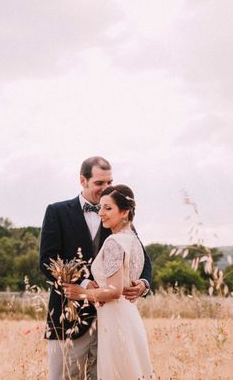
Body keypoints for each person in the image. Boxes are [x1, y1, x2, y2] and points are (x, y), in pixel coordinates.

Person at [39, 157, 153, 380]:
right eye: (99, 183)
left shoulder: (118, 216)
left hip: (112, 323)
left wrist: (143, 284)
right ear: (83, 180)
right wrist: (81, 284)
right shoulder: (57, 212)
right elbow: (47, 261)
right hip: (69, 319)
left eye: (109, 182)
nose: (105, 188)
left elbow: (142, 259)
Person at [80, 184, 153, 379]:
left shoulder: (114, 242)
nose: (101, 213)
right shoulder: (132, 239)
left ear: (125, 212)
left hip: (115, 318)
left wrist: (79, 293)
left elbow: (114, 290)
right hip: (130, 315)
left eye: (108, 208)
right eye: (101, 207)